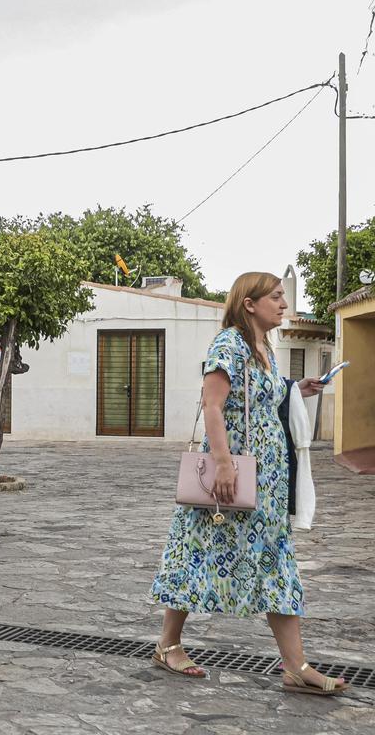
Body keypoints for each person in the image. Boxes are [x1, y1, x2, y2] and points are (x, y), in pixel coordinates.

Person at [149, 272, 345, 694]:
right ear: (250, 303)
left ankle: (296, 665)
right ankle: (168, 645)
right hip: (230, 473)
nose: (284, 305)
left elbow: (262, 397)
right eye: (276, 297)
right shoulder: (229, 344)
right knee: (197, 552)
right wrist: (221, 463)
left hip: (266, 477)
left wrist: (296, 389)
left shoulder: (266, 352)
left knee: (275, 561)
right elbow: (213, 403)